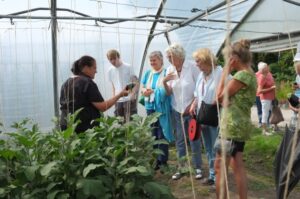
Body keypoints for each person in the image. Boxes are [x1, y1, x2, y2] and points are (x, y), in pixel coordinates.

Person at [215, 39, 257, 199]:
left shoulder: (241, 75)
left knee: (220, 166)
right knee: (237, 164)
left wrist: (225, 71)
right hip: (239, 124)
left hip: (232, 126)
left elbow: (218, 97)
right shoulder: (249, 73)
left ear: (235, 58)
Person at [163, 43, 202, 180]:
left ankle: (198, 168)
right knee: (180, 140)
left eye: (170, 56)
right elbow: (168, 93)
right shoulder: (169, 69)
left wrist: (192, 105)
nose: (168, 59)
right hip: (176, 110)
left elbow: (199, 88)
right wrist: (164, 82)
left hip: (191, 110)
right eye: (167, 57)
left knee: (194, 139)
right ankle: (182, 167)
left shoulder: (192, 67)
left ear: (179, 56)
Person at [60, 55, 129, 133]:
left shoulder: (66, 82)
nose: (96, 71)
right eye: (94, 68)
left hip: (65, 124)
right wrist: (120, 95)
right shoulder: (87, 82)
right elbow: (103, 107)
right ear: (86, 68)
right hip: (83, 127)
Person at [189, 48, 222, 186]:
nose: (196, 64)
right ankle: (212, 174)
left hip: (216, 116)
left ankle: (219, 178)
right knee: (208, 147)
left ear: (207, 60)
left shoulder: (220, 73)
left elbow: (230, 91)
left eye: (198, 61)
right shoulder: (201, 75)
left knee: (217, 148)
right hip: (203, 116)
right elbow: (197, 94)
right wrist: (193, 104)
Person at [141, 51, 174, 171]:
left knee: (162, 134)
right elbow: (143, 87)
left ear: (161, 60)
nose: (152, 63)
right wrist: (145, 91)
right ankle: (156, 160)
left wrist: (154, 91)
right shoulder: (148, 73)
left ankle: (163, 160)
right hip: (150, 107)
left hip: (162, 108)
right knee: (153, 134)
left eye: (154, 60)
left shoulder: (166, 72)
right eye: (151, 61)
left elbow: (168, 90)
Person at [107, 49, 138, 122]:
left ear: (119, 57)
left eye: (114, 58)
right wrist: (114, 98)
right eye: (110, 59)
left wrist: (132, 94)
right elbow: (113, 85)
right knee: (119, 122)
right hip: (118, 100)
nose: (113, 61)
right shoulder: (110, 70)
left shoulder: (128, 67)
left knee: (130, 122)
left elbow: (135, 81)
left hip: (129, 99)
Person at [257, 62, 276, 135]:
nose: (268, 67)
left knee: (268, 113)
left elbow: (272, 83)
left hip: (270, 97)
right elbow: (259, 91)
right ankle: (264, 131)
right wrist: (271, 88)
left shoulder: (269, 74)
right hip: (265, 98)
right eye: (266, 67)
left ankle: (267, 129)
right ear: (263, 69)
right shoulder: (262, 77)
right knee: (265, 114)